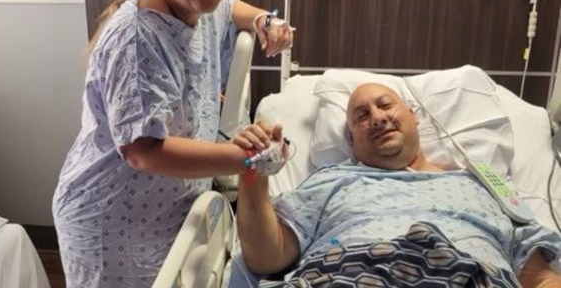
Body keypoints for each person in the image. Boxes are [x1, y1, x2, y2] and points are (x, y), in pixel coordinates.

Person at [52, 0, 292, 287]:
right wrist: (245, 159)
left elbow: (230, 6)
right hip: (111, 225)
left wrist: (264, 19)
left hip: (166, 215)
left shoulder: (200, 5)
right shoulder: (138, 39)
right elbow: (144, 151)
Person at [234, 83, 561, 287]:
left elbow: (538, 277)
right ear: (351, 138)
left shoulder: (481, 187)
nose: (376, 117)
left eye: (386, 105)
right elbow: (267, 258)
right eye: (361, 116)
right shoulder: (330, 181)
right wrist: (253, 174)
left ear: (413, 114)